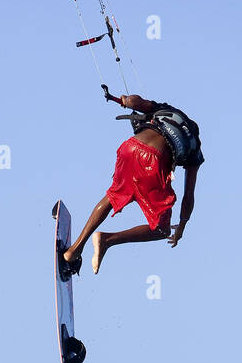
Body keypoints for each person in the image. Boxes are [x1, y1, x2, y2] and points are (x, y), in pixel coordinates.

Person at [64, 93, 204, 274]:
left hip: (129, 148)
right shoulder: (194, 149)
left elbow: (134, 102)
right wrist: (182, 225)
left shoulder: (166, 111)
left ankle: (74, 250)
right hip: (153, 161)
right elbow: (188, 197)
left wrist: (122, 100)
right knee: (161, 229)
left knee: (113, 195)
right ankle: (106, 240)